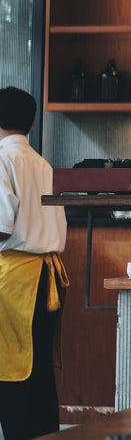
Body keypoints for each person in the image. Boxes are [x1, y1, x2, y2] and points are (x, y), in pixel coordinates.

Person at [0, 86, 68, 440]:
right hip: (49, 277)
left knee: (12, 370)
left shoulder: (1, 159)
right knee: (39, 368)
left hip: (15, 281)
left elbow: (0, 226)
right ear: (31, 123)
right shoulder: (42, 163)